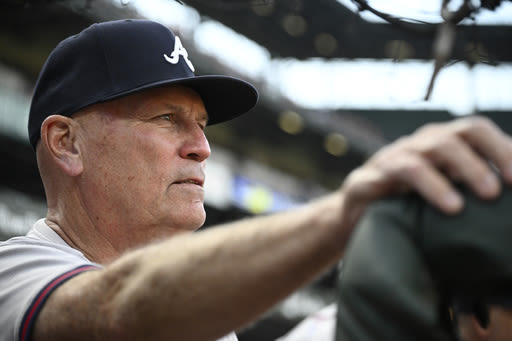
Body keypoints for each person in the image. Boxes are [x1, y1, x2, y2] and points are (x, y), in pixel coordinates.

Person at [1, 19, 512, 341]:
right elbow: (119, 313)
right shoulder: (14, 275)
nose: (201, 146)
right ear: (66, 142)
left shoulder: (197, 315)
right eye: (165, 118)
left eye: (200, 125)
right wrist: (346, 214)